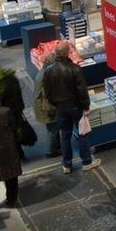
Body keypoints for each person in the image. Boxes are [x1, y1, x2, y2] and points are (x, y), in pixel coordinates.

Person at [42, 42, 100, 174]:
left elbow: (47, 92)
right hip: (75, 107)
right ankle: (86, 161)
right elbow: (82, 90)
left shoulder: (48, 70)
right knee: (82, 133)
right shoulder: (75, 68)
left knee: (65, 135)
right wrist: (86, 106)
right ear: (68, 52)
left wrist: (55, 104)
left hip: (60, 108)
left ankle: (67, 164)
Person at [33, 52, 61, 159]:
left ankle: (56, 147)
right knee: (52, 130)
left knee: (53, 128)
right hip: (46, 108)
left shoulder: (43, 72)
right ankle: (50, 151)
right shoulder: (47, 75)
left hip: (41, 106)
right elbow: (48, 96)